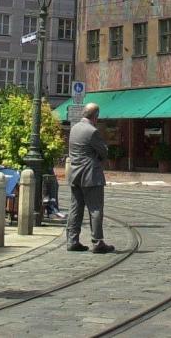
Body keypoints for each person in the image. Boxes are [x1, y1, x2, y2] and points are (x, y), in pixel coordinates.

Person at [65, 103, 112, 254]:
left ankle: (72, 240)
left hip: (75, 174)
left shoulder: (74, 128)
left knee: (75, 208)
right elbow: (104, 151)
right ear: (95, 116)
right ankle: (98, 242)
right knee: (95, 209)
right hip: (91, 176)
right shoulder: (92, 131)